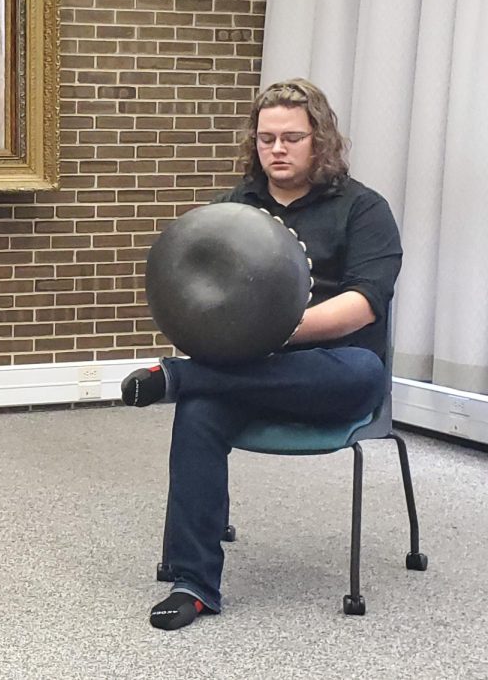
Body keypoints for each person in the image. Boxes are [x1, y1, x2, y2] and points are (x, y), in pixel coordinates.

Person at [121, 79, 402, 630]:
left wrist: (270, 332)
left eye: (291, 138)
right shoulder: (233, 209)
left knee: (362, 371)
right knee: (200, 412)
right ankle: (194, 584)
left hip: (332, 371)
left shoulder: (364, 209)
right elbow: (200, 294)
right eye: (266, 138)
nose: (277, 149)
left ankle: (181, 377)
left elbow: (363, 306)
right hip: (244, 372)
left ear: (320, 140)